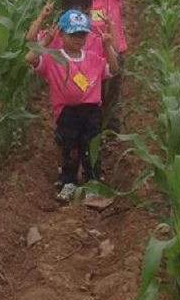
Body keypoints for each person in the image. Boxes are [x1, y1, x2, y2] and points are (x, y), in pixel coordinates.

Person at [28, 10, 119, 202]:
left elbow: (113, 68)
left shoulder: (93, 58)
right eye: (73, 34)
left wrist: (107, 45)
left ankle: (92, 181)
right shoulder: (54, 58)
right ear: (62, 35)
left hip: (91, 111)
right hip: (67, 112)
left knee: (91, 146)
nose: (78, 39)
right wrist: (45, 41)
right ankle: (69, 181)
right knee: (70, 147)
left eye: (82, 34)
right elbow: (30, 58)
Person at [78, 0, 127, 132]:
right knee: (92, 90)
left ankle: (111, 126)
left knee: (113, 91)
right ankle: (94, 124)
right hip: (91, 54)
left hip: (115, 52)